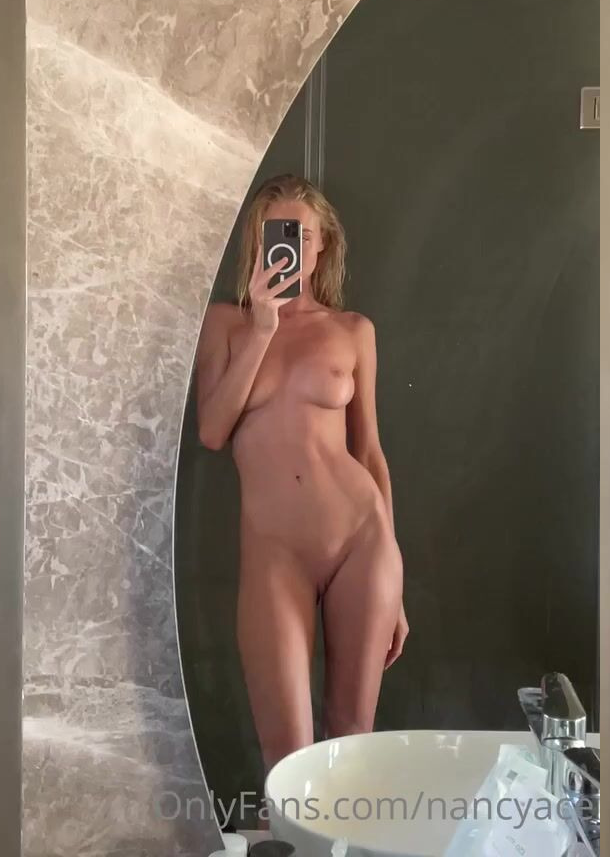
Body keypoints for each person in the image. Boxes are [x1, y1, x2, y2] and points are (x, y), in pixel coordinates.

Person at [194, 174, 407, 776]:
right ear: (258, 245)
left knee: (352, 741)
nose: (289, 248)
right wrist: (263, 329)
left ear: (322, 246)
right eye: (276, 235)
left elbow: (370, 452)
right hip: (275, 553)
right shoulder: (226, 325)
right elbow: (212, 431)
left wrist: (397, 587)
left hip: (361, 540)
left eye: (302, 235)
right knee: (286, 758)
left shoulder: (353, 331)